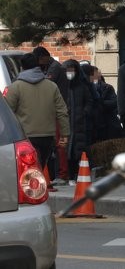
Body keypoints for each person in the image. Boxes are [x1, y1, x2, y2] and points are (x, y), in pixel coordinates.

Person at [6, 54, 69, 189]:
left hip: (24, 136)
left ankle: (33, 195)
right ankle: (37, 192)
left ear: (22, 67)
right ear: (38, 66)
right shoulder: (52, 86)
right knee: (40, 166)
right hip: (47, 135)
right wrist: (64, 134)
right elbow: (62, 111)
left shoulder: (16, 87)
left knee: (28, 170)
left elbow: (7, 114)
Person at [32, 47, 70, 186]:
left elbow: (44, 83)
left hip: (56, 112)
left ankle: (63, 174)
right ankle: (57, 174)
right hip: (51, 112)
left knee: (59, 144)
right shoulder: (49, 67)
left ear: (43, 57)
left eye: (38, 60)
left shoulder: (54, 69)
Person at [62, 60, 96, 183]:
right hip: (66, 123)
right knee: (67, 151)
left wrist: (84, 112)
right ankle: (69, 176)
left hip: (80, 123)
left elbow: (89, 101)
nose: (70, 73)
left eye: (72, 70)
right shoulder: (62, 86)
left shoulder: (82, 86)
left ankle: (77, 174)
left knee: (79, 151)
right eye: (68, 70)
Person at [84, 65, 123, 141]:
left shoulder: (107, 88)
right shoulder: (85, 88)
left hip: (107, 123)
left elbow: (114, 102)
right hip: (93, 124)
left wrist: (101, 103)